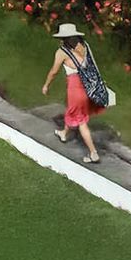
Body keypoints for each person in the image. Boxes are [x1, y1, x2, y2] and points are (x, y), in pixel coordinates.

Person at [41, 22, 104, 164]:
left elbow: (54, 71)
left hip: (75, 87)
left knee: (81, 121)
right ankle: (64, 133)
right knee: (74, 112)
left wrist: (46, 85)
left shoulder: (62, 52)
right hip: (87, 85)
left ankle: (93, 153)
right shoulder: (84, 47)